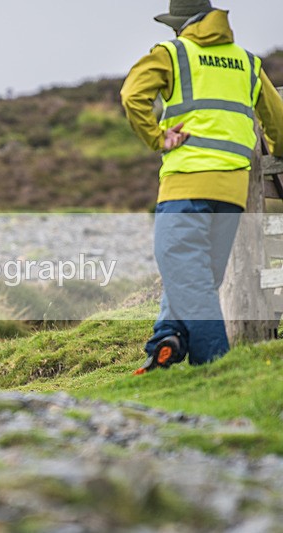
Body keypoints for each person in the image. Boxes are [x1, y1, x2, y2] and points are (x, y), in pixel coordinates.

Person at [121, 0, 283, 373]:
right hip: (232, 191)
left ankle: (216, 363)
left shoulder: (173, 53)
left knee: (181, 266)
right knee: (198, 275)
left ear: (185, 24)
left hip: (187, 183)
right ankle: (168, 337)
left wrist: (157, 137)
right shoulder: (247, 62)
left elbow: (132, 95)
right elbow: (276, 122)